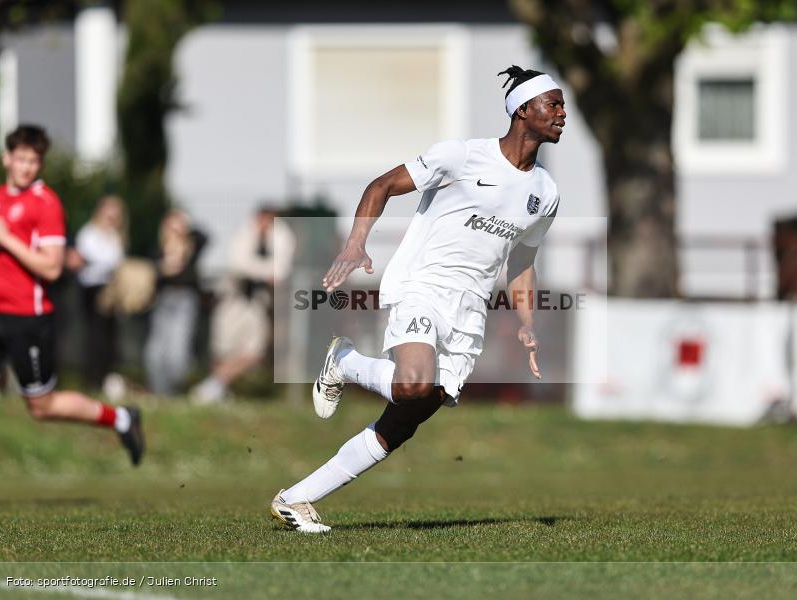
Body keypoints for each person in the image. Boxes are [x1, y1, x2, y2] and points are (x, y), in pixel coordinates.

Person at [270, 66, 565, 532]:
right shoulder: (462, 156)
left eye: (563, 105)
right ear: (522, 110)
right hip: (422, 287)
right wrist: (355, 244)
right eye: (554, 104)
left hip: (470, 311)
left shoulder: (545, 192)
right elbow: (381, 186)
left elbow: (522, 263)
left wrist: (527, 321)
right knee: (412, 384)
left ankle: (296, 499)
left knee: (405, 420)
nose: (562, 114)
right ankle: (345, 362)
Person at [0, 125, 144, 465]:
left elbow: (51, 268)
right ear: (7, 158)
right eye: (21, 159)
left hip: (26, 318)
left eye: (34, 161)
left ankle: (122, 419)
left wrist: (6, 239)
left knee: (42, 406)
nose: (27, 167)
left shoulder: (45, 204)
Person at [191, 205, 295, 404]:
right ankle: (217, 388)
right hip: (234, 299)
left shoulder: (280, 237)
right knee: (224, 349)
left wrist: (264, 270)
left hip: (257, 302)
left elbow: (281, 270)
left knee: (253, 351)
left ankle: (213, 386)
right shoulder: (244, 232)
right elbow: (239, 264)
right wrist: (266, 271)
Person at [66, 195, 127, 389]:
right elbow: (92, 259)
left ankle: (104, 377)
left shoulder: (117, 236)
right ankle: (92, 379)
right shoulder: (90, 233)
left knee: (109, 336)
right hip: (92, 289)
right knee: (95, 336)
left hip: (110, 290)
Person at [144, 209, 207, 395]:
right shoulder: (158, 249)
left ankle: (174, 390)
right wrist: (163, 268)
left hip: (185, 301)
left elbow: (205, 236)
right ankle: (159, 392)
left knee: (177, 351)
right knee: (156, 352)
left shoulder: (192, 248)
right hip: (163, 301)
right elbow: (150, 273)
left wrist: (184, 227)